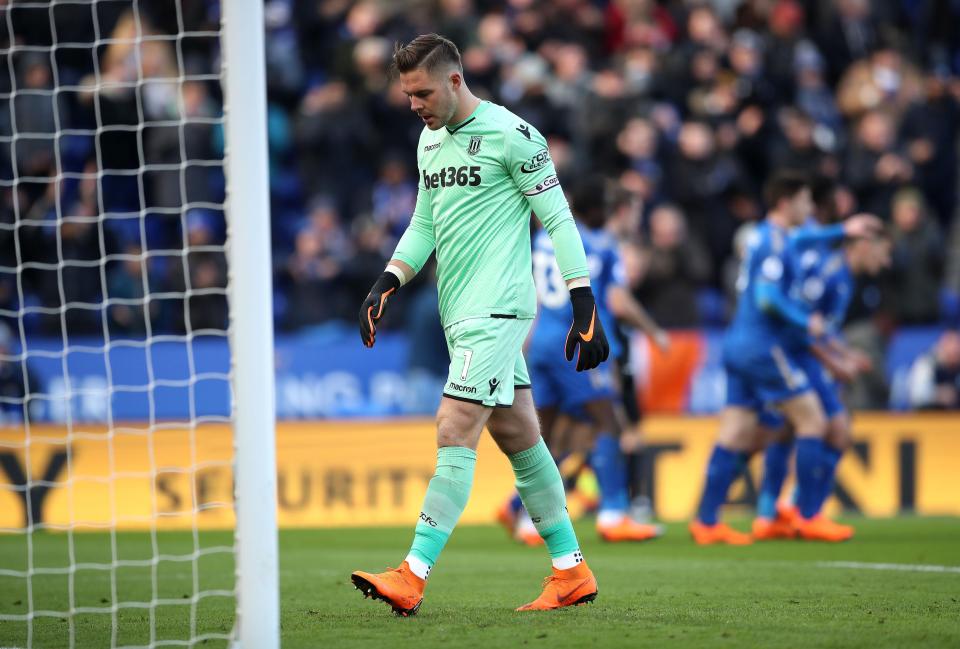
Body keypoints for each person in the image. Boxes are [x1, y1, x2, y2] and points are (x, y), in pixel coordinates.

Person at [350, 34, 607, 615]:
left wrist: (583, 301)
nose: (414, 104)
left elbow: (559, 220)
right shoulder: (428, 141)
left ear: (456, 81)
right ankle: (571, 570)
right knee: (520, 437)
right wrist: (388, 279)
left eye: (422, 92)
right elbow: (424, 223)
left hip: (500, 308)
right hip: (459, 312)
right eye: (408, 94)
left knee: (454, 424)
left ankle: (411, 575)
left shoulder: (514, 137)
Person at [688, 172, 879, 545]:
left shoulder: (769, 235)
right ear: (786, 202)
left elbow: (806, 237)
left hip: (737, 342)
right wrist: (808, 320)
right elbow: (766, 298)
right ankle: (808, 516)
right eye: (805, 202)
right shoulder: (775, 243)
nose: (809, 210)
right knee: (813, 420)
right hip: (762, 346)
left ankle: (707, 521)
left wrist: (844, 229)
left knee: (736, 431)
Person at [504, 175, 667, 545]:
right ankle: (613, 514)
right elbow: (616, 300)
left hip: (543, 339)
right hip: (578, 341)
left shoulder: (543, 237)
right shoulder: (601, 246)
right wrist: (654, 333)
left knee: (548, 436)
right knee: (607, 422)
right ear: (600, 210)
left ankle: (531, 520)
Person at [753, 211, 891, 542]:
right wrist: (834, 362)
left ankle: (775, 511)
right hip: (797, 358)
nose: (885, 262)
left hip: (804, 358)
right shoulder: (830, 275)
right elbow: (803, 327)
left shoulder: (844, 276)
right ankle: (802, 511)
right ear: (864, 245)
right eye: (883, 252)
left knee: (787, 431)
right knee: (835, 429)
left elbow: (821, 328)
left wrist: (845, 354)